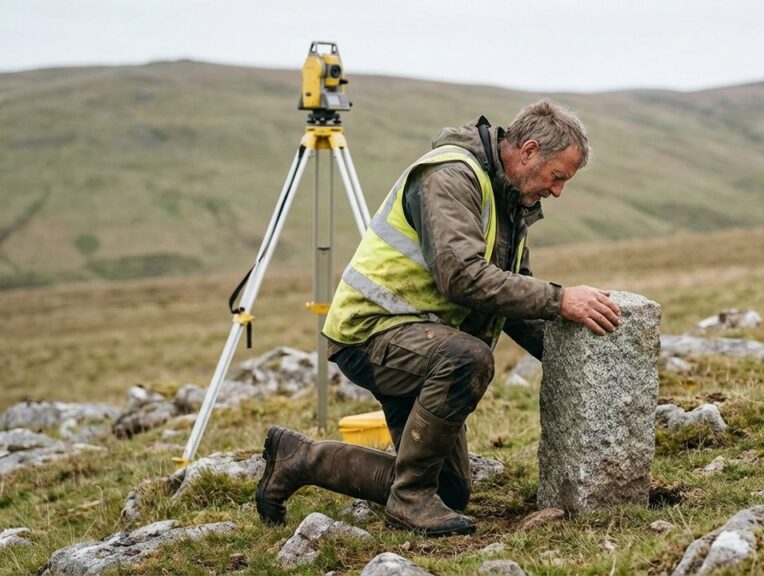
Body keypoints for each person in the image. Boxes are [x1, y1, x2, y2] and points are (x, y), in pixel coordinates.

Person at [255, 100, 621, 537]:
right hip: (371, 331)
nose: (558, 191)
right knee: (469, 358)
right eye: (557, 177)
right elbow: (462, 278)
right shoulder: (450, 176)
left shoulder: (508, 200)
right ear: (528, 150)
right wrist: (562, 300)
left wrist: (579, 358)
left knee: (448, 492)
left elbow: (513, 299)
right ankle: (408, 499)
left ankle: (298, 458)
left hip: (420, 341)